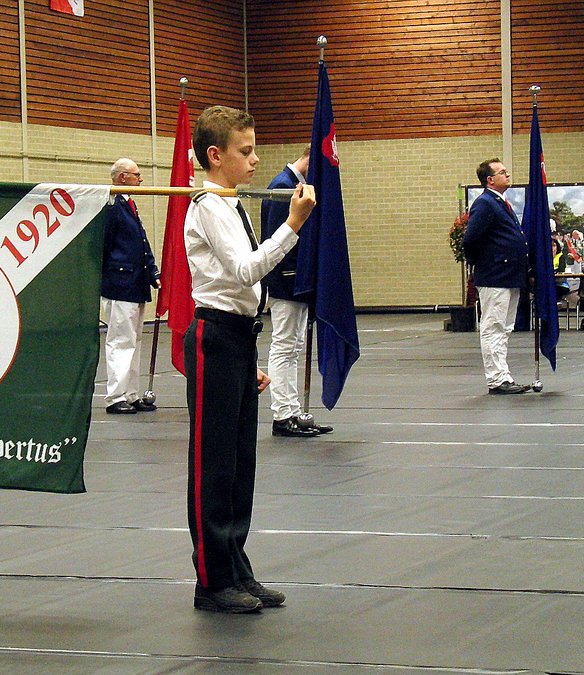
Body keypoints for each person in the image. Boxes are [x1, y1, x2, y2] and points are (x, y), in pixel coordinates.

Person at [184, 105, 315, 613]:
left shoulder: (229, 201)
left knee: (240, 464)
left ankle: (236, 566)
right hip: (213, 335)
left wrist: (247, 356)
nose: (256, 159)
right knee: (212, 465)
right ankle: (212, 579)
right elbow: (244, 272)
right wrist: (293, 226)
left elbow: (243, 287)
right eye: (246, 151)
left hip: (236, 337)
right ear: (216, 156)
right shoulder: (210, 205)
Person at [260, 145, 331, 438]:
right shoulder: (282, 187)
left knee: (293, 347)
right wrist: (298, 274)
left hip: (297, 281)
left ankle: (292, 409)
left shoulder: (297, 186)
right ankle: (282, 414)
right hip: (286, 279)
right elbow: (279, 239)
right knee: (284, 346)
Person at [463, 159, 529, 395]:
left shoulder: (500, 203)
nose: (507, 174)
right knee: (493, 327)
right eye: (502, 172)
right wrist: (484, 263)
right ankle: (496, 378)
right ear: (490, 180)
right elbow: (470, 239)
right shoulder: (485, 204)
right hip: (495, 275)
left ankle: (503, 375)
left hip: (509, 275)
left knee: (505, 327)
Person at [100, 158, 160, 414]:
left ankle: (131, 394)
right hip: (120, 283)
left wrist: (153, 271)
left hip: (134, 282)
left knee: (133, 341)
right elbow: (103, 244)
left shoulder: (128, 204)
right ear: (123, 177)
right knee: (121, 341)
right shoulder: (112, 205)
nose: (141, 179)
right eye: (137, 175)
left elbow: (140, 242)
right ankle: (115, 396)